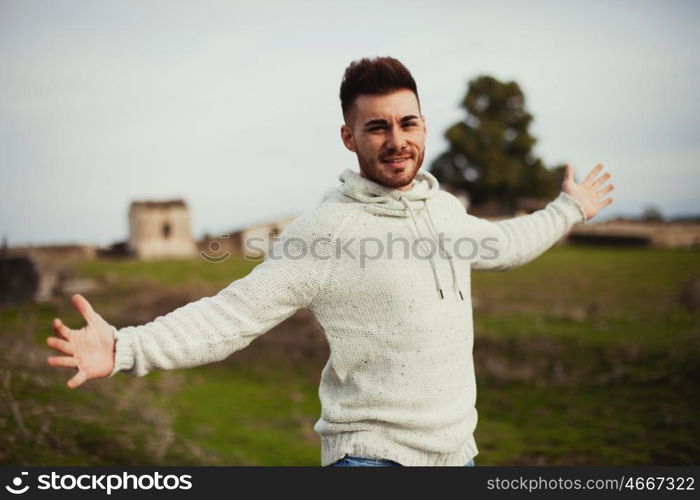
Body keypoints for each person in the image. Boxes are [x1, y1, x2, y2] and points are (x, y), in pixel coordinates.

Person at [46, 56, 614, 467]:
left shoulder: (443, 210)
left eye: (407, 123)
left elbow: (508, 245)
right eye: (377, 127)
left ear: (422, 126)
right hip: (374, 460)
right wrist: (125, 348)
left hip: (457, 454)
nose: (397, 140)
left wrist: (569, 209)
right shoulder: (326, 232)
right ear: (349, 137)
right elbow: (232, 315)